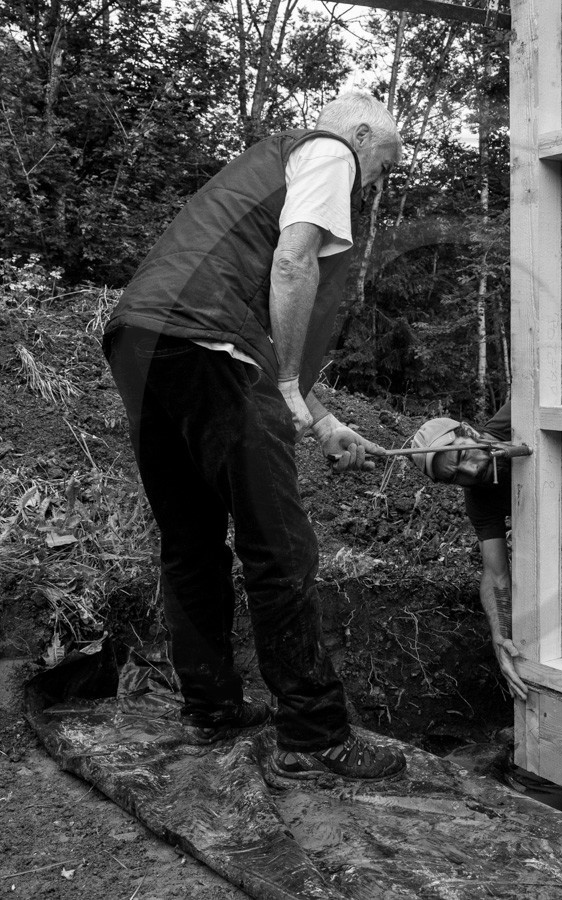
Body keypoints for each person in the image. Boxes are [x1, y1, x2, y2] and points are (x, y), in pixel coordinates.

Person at [103, 90, 406, 782]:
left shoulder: (266, 169)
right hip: (211, 345)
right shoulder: (330, 151)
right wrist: (291, 387)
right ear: (362, 135)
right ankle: (314, 736)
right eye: (382, 168)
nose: (375, 184)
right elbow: (293, 266)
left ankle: (210, 706)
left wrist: (320, 416)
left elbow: (268, 318)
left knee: (191, 541)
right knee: (279, 545)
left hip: (144, 341)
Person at [410, 401, 528, 701]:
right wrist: (501, 639)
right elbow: (495, 572)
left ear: (468, 431)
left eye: (463, 454)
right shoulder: (479, 500)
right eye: (455, 476)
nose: (471, 471)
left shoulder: (510, 419)